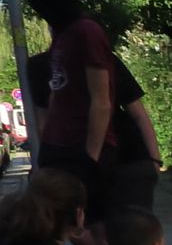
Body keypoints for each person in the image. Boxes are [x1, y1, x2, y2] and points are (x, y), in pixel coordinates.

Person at [15, 0, 120, 245]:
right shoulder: (63, 34)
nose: (35, 8)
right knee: (59, 219)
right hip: (59, 145)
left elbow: (101, 100)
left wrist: (91, 156)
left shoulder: (86, 32)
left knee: (85, 220)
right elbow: (58, 95)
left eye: (37, 1)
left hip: (80, 146)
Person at [28, 49, 164, 215]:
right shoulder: (43, 65)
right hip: (101, 163)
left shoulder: (42, 66)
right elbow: (138, 113)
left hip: (121, 158)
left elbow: (44, 125)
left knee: (103, 228)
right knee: (127, 230)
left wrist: (155, 161)